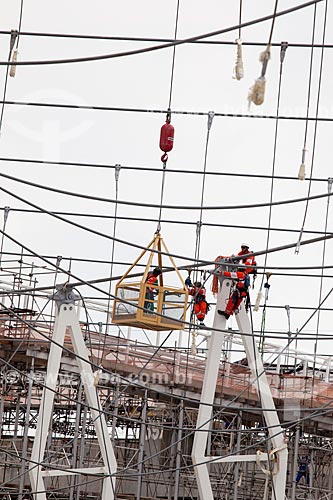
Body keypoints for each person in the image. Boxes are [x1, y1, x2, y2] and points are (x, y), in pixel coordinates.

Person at [218, 243, 257, 319]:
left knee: (232, 301)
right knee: (236, 303)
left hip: (241, 289)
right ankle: (231, 312)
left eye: (244, 248)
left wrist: (222, 272)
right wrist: (231, 258)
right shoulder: (245, 275)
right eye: (242, 247)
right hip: (243, 292)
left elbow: (232, 274)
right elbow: (238, 256)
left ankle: (227, 313)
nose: (242, 249)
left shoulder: (249, 256)